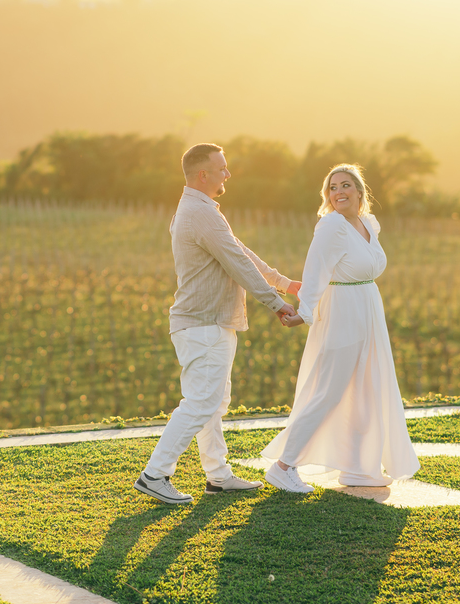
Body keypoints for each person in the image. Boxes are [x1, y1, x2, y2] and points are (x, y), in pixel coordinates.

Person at [134, 143, 300, 505]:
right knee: (201, 402)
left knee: (212, 402)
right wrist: (275, 302)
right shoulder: (199, 213)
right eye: (222, 168)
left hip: (209, 323)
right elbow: (237, 263)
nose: (228, 174)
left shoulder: (200, 210)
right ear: (203, 174)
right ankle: (155, 474)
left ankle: (218, 476)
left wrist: (283, 283)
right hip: (203, 323)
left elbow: (239, 251)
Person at [261, 163, 420, 493]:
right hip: (343, 311)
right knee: (329, 390)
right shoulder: (331, 225)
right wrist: (305, 313)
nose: (338, 192)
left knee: (366, 388)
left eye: (345, 185)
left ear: (360, 192)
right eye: (332, 188)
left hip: (368, 310)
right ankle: (283, 465)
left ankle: (358, 468)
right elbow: (316, 269)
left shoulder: (367, 224)